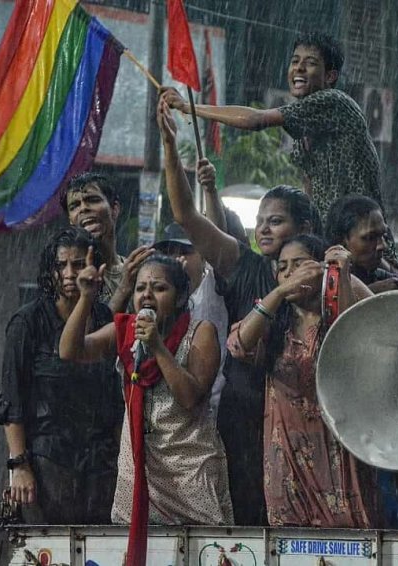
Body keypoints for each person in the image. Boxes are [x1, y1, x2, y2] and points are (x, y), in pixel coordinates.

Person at [157, 98, 372, 524]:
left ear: (306, 230)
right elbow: (186, 216)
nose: (264, 229)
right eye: (261, 221)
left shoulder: (336, 279)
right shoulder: (246, 265)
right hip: (246, 416)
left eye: (276, 221)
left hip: (321, 426)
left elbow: (370, 326)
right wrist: (169, 146)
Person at [161, 32, 398, 269]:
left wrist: (188, 107)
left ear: (330, 76)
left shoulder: (335, 101)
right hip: (334, 251)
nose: (299, 68)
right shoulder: (302, 133)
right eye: (295, 61)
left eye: (311, 63)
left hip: (367, 249)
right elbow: (311, 198)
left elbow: (255, 120)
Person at [59, 253, 232, 529]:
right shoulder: (126, 329)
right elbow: (70, 350)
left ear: (179, 297)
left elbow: (190, 398)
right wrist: (86, 298)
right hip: (139, 470)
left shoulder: (201, 332)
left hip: (189, 469)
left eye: (159, 288)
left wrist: (157, 347)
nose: (147, 295)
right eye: (141, 288)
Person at [227, 234, 373, 527]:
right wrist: (278, 293)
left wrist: (340, 277)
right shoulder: (274, 315)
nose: (290, 273)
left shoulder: (344, 290)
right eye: (283, 267)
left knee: (350, 535)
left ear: (321, 266)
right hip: (287, 453)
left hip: (339, 444)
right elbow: (238, 345)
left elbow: (351, 340)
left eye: (299, 264)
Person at [0, 227, 122, 524]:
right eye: (60, 265)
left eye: (78, 264)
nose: (69, 273)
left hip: (100, 463)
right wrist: (19, 465)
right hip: (47, 460)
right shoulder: (28, 323)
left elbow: (117, 398)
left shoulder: (104, 319)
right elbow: (11, 399)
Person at [153, 223, 228, 415]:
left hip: (215, 407)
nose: (177, 259)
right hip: (166, 412)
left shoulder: (213, 286)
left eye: (186, 251)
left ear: (203, 256)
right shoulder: (156, 296)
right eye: (169, 252)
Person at [61, 172, 153, 313]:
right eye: (74, 206)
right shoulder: (69, 276)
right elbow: (84, 333)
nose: (83, 208)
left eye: (92, 199)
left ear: (114, 209)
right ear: (70, 221)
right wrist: (124, 288)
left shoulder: (135, 271)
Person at [325, 194, 398, 292]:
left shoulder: (377, 275)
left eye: (383, 236)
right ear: (342, 240)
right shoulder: (322, 282)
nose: (383, 246)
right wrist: (368, 293)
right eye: (370, 238)